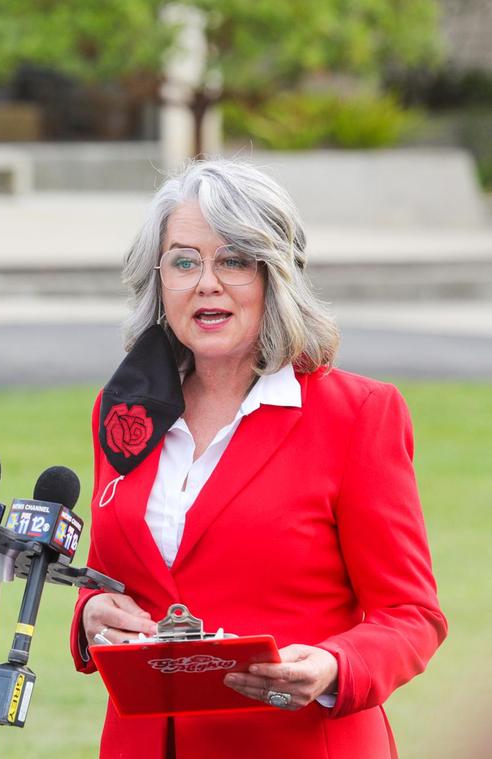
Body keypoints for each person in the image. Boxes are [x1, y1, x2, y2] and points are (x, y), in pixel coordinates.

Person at [69, 159, 446, 758]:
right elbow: (110, 576)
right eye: (184, 261)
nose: (206, 283)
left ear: (276, 277)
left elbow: (410, 615)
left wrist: (332, 665)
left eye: (235, 261)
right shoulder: (122, 411)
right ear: (157, 279)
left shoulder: (358, 414)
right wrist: (91, 618)